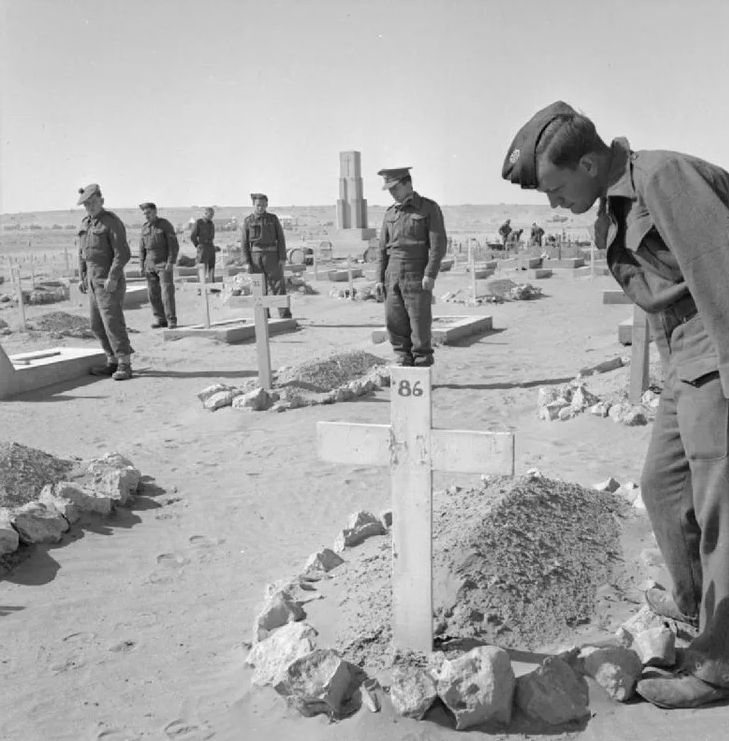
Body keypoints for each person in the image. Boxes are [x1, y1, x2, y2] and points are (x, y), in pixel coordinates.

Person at [502, 100, 729, 709]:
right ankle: (694, 602)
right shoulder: (617, 204)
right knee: (662, 486)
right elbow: (661, 299)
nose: (554, 205)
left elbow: (722, 274)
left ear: (590, 161)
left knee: (719, 510)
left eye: (555, 189)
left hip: (717, 342)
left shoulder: (662, 180)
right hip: (685, 354)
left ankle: (716, 667)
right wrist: (672, 375)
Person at [374, 167, 447, 367]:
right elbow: (381, 249)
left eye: (395, 188)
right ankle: (403, 358)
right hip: (392, 275)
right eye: (389, 189)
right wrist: (379, 279)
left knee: (419, 322)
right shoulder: (390, 213)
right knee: (394, 321)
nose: (391, 193)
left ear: (408, 183)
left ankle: (422, 362)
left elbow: (438, 244)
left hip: (416, 274)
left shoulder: (428, 208)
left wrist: (430, 273)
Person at [76, 183, 134, 381]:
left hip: (108, 281)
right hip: (92, 282)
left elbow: (123, 253)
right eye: (87, 205)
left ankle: (125, 364)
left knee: (112, 322)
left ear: (102, 200)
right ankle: (112, 361)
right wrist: (82, 277)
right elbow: (82, 254)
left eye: (93, 202)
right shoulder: (86, 224)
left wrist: (113, 277)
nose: (90, 207)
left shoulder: (111, 222)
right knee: (96, 325)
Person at [242, 193, 292, 319]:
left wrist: (282, 258)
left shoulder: (273, 219)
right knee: (259, 287)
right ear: (253, 205)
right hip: (255, 258)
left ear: (267, 205)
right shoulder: (248, 221)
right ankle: (263, 316)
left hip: (272, 256)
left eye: (263, 205)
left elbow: (281, 238)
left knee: (278, 286)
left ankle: (285, 316)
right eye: (258, 205)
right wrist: (246, 262)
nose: (261, 208)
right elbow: (244, 243)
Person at [139, 202, 179, 329]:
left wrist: (171, 262)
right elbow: (141, 249)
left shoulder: (165, 225)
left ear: (155, 212)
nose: (146, 216)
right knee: (153, 293)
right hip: (149, 264)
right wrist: (141, 266)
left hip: (163, 263)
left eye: (148, 213)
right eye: (144, 214)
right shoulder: (144, 227)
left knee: (167, 292)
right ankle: (160, 319)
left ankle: (171, 319)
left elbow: (173, 246)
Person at [190, 207, 216, 282]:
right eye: (210, 214)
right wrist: (198, 246)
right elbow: (193, 236)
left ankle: (212, 287)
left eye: (212, 214)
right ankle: (200, 288)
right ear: (205, 214)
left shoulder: (211, 223)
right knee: (202, 267)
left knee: (211, 267)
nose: (212, 216)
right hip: (202, 247)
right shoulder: (199, 223)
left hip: (210, 246)